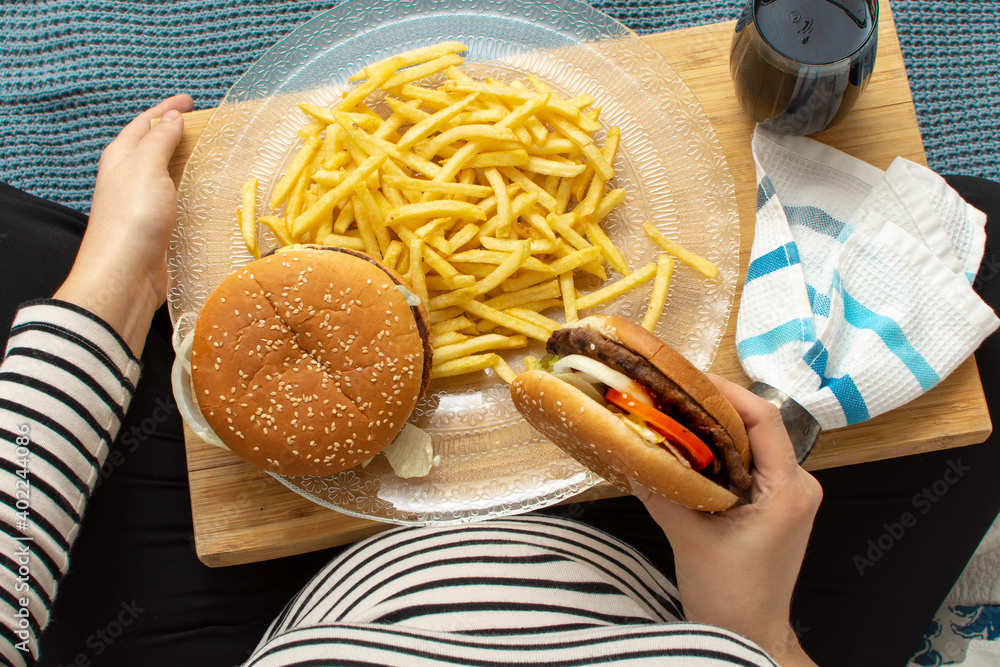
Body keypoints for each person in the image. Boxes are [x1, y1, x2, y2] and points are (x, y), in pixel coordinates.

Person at [0, 97, 994, 667]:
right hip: (678, 590)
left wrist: (110, 286)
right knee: (972, 256)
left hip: (269, 610)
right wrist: (752, 630)